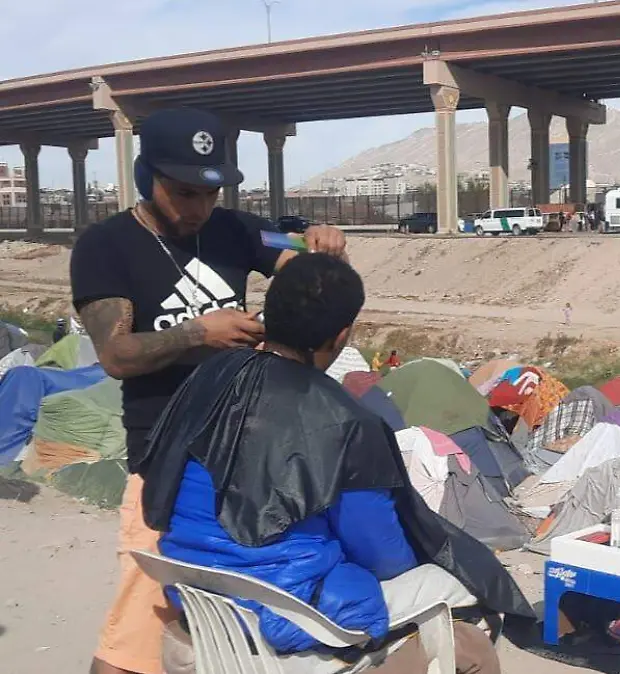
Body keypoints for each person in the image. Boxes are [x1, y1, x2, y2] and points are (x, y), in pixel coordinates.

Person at [70, 107, 347, 674]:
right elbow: (116, 355)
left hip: (247, 461)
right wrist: (202, 331)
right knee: (140, 630)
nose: (197, 208)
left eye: (208, 194)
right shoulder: (106, 245)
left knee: (229, 630)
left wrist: (322, 246)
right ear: (145, 176)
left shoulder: (236, 230)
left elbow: (298, 266)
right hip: (165, 464)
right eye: (182, 193)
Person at [142, 254, 507, 673]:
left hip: (201, 602)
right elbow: (383, 556)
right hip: (289, 617)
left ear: (269, 315)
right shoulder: (344, 421)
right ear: (342, 335)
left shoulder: (211, 377)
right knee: (463, 598)